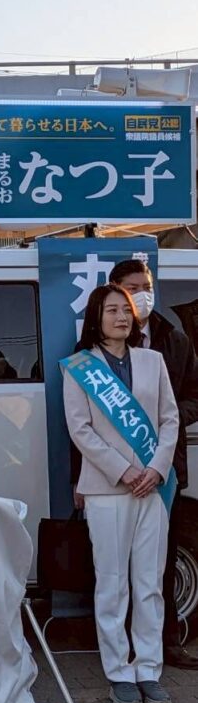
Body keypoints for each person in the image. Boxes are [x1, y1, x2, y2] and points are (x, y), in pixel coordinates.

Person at [62, 284, 179, 703]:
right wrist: (123, 470)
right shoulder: (79, 367)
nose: (122, 317)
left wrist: (156, 468)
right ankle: (119, 671)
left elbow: (169, 419)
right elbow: (80, 429)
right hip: (107, 487)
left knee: (149, 582)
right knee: (112, 583)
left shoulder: (153, 361)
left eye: (126, 310)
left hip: (152, 485)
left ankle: (149, 669)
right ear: (96, 318)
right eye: (112, 310)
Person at [109, 258, 198, 670]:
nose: (142, 294)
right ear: (114, 289)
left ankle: (167, 643)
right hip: (115, 471)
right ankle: (121, 646)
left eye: (146, 286)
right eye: (132, 287)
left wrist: (167, 416)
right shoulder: (98, 342)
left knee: (161, 559)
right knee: (117, 561)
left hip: (164, 468)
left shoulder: (173, 338)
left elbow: (194, 395)